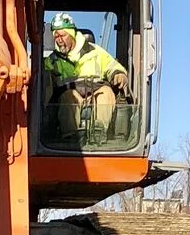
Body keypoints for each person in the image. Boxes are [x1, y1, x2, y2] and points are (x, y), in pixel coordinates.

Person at [45, 11, 130, 141]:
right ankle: (70, 138)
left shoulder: (95, 52)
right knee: (69, 97)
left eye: (62, 35)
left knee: (106, 92)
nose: (59, 40)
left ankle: (99, 132)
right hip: (71, 95)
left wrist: (118, 74)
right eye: (56, 37)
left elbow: (111, 65)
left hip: (95, 93)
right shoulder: (52, 60)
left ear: (72, 34)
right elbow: (43, 79)